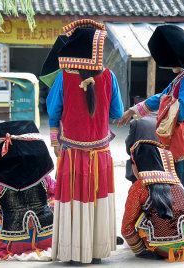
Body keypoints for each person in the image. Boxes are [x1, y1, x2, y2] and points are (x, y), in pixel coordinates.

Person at [117, 25, 184, 234]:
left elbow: (181, 113)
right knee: (177, 181)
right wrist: (134, 110)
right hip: (178, 140)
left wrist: (164, 104)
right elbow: (160, 98)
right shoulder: (181, 79)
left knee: (182, 182)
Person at [46, 19, 124, 264]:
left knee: (72, 199)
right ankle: (95, 251)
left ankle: (72, 251)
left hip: (71, 152)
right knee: (96, 198)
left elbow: (53, 110)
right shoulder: (109, 77)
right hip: (100, 153)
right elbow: (117, 113)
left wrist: (54, 140)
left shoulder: (63, 77)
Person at [0, 120, 55, 260]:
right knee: (53, 200)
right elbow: (58, 190)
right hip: (48, 237)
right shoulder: (45, 179)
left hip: (11, 242)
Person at [122, 140, 184, 262]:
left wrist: (139, 251)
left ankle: (154, 246)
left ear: (137, 165)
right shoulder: (175, 181)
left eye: (132, 164)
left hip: (164, 248)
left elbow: (126, 227)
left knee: (139, 217)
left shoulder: (139, 187)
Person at [125, 112, 158, 183]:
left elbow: (129, 147)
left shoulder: (136, 122)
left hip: (139, 167)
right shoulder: (163, 121)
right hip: (159, 167)